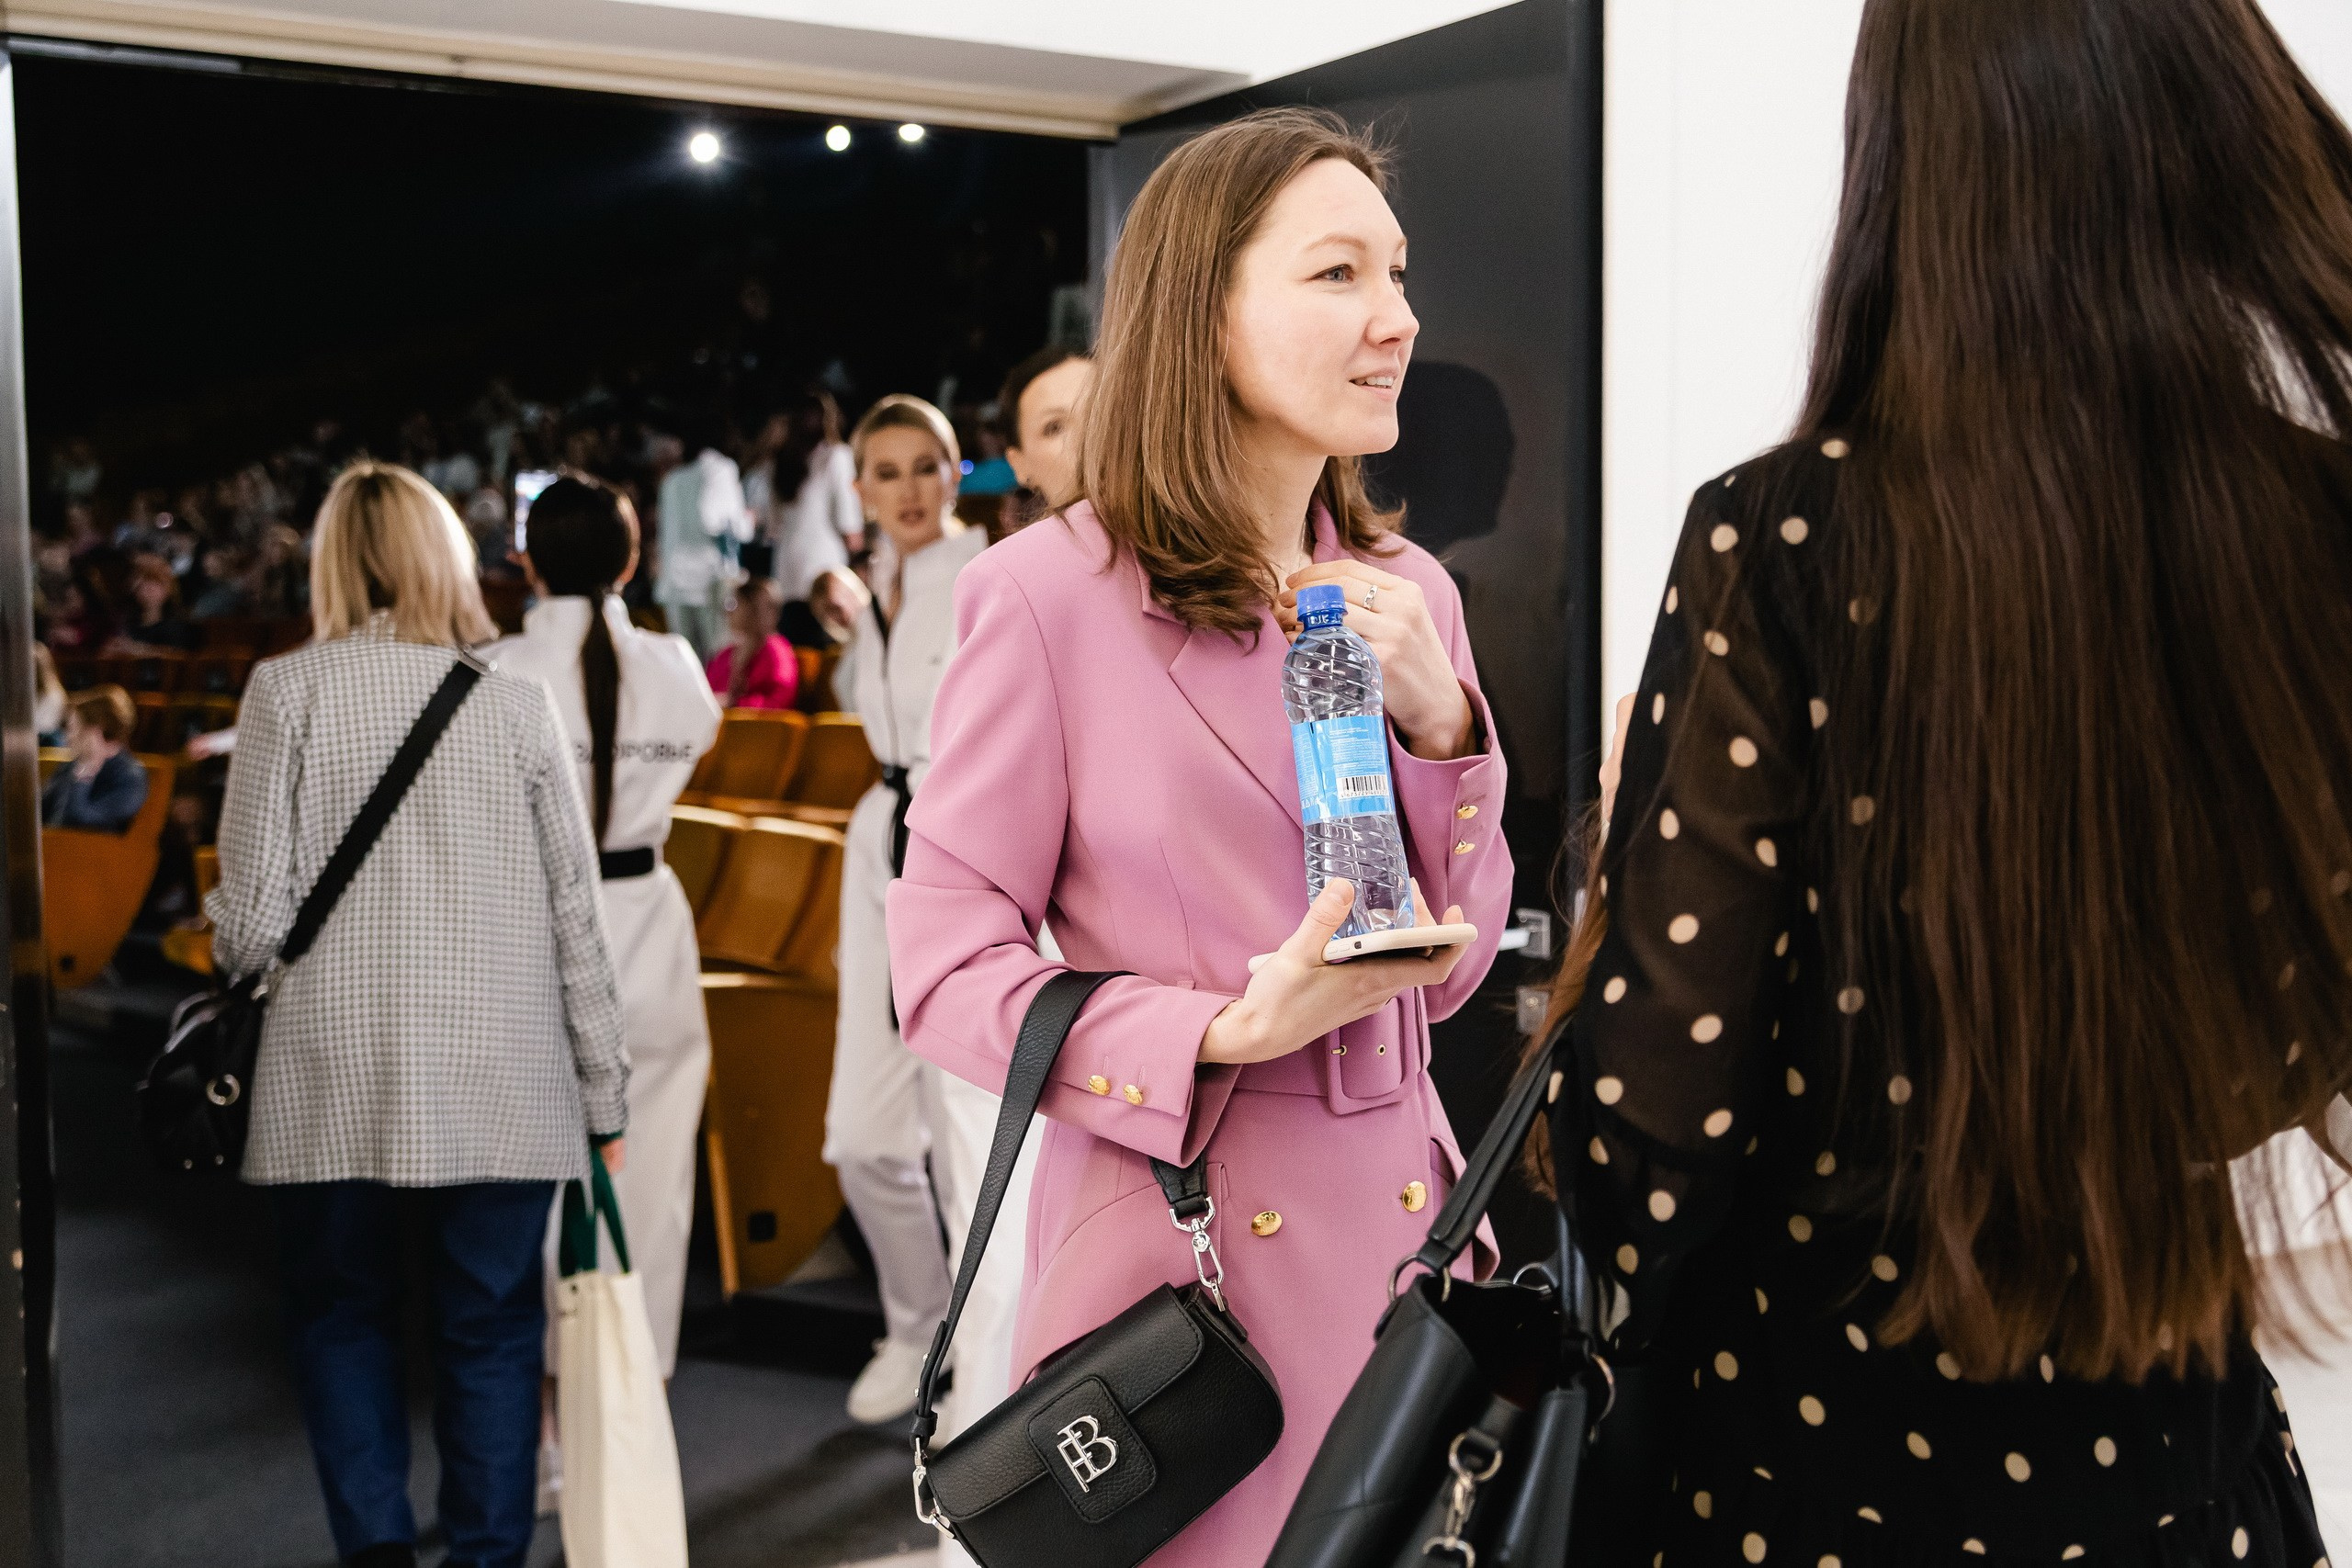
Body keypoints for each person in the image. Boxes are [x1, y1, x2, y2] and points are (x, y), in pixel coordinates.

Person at [1546, 1, 2352, 1562]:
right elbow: (2294, 1039)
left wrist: (1617, 882)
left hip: (1810, 1463)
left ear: (1904, 166)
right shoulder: (2315, 533)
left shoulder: (1786, 539)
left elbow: (1655, 1119)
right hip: (2174, 1444)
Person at [888, 108, 1512, 1563]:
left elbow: (1452, 963)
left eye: (1400, 275)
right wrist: (1222, 1025)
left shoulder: (1405, 587)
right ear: (1203, 310)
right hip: (1192, 1282)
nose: (1398, 319)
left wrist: (1443, 726)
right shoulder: (1048, 595)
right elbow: (941, 963)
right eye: (1340, 274)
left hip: (1410, 1261)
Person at [208, 462, 628, 1568]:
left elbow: (247, 932)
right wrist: (606, 1095)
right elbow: (575, 924)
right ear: (447, 557)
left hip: (330, 1076)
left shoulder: (283, 692)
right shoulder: (515, 703)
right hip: (504, 1076)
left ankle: (378, 1555)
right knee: (489, 1333)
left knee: (342, 1320)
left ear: (333, 562)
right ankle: (488, 1558)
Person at [489, 472, 720, 1380]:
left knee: (535, 1193)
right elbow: (700, 735)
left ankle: (547, 1422)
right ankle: (630, 1399)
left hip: (533, 928)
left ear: (527, 562)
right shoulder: (674, 667)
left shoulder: (495, 667)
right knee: (652, 1184)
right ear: (633, 560)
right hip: (649, 924)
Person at [816, 393, 989, 1424]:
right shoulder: (878, 585)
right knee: (862, 1134)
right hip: (875, 836)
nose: (909, 489)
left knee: (959, 1121)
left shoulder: (980, 574)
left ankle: (980, 1353)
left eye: (926, 466)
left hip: (955, 836)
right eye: (886, 472)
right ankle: (917, 1323)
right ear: (861, 488)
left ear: (955, 472)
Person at [762, 389, 865, 647]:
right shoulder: (836, 456)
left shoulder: (780, 463)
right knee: (826, 650)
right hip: (824, 569)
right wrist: (859, 556)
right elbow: (847, 517)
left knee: (797, 651)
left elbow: (770, 525)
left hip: (786, 572)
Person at [653, 423, 752, 660]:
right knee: (718, 658)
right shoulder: (721, 469)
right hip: (710, 582)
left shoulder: (672, 480)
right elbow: (714, 520)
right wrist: (746, 521)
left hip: (676, 582)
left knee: (685, 660)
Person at [996, 346, 1093, 528]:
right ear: (1019, 464)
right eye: (1054, 427)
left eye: (1099, 412)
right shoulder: (1012, 556)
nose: (1087, 437)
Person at [41, 685, 147, 832]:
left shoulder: (130, 777)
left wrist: (86, 771)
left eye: (72, 728)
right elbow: (39, 809)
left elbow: (76, 823)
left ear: (95, 732)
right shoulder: (71, 765)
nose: (66, 738)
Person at [703, 578, 799, 709]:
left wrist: (734, 704)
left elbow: (778, 701)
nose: (727, 611)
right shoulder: (727, 654)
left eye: (733, 604)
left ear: (753, 608)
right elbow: (705, 692)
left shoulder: (775, 652)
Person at [108, 553, 198, 651]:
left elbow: (178, 656)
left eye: (152, 580)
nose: (145, 587)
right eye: (140, 582)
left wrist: (139, 650)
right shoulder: (129, 623)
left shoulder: (178, 625)